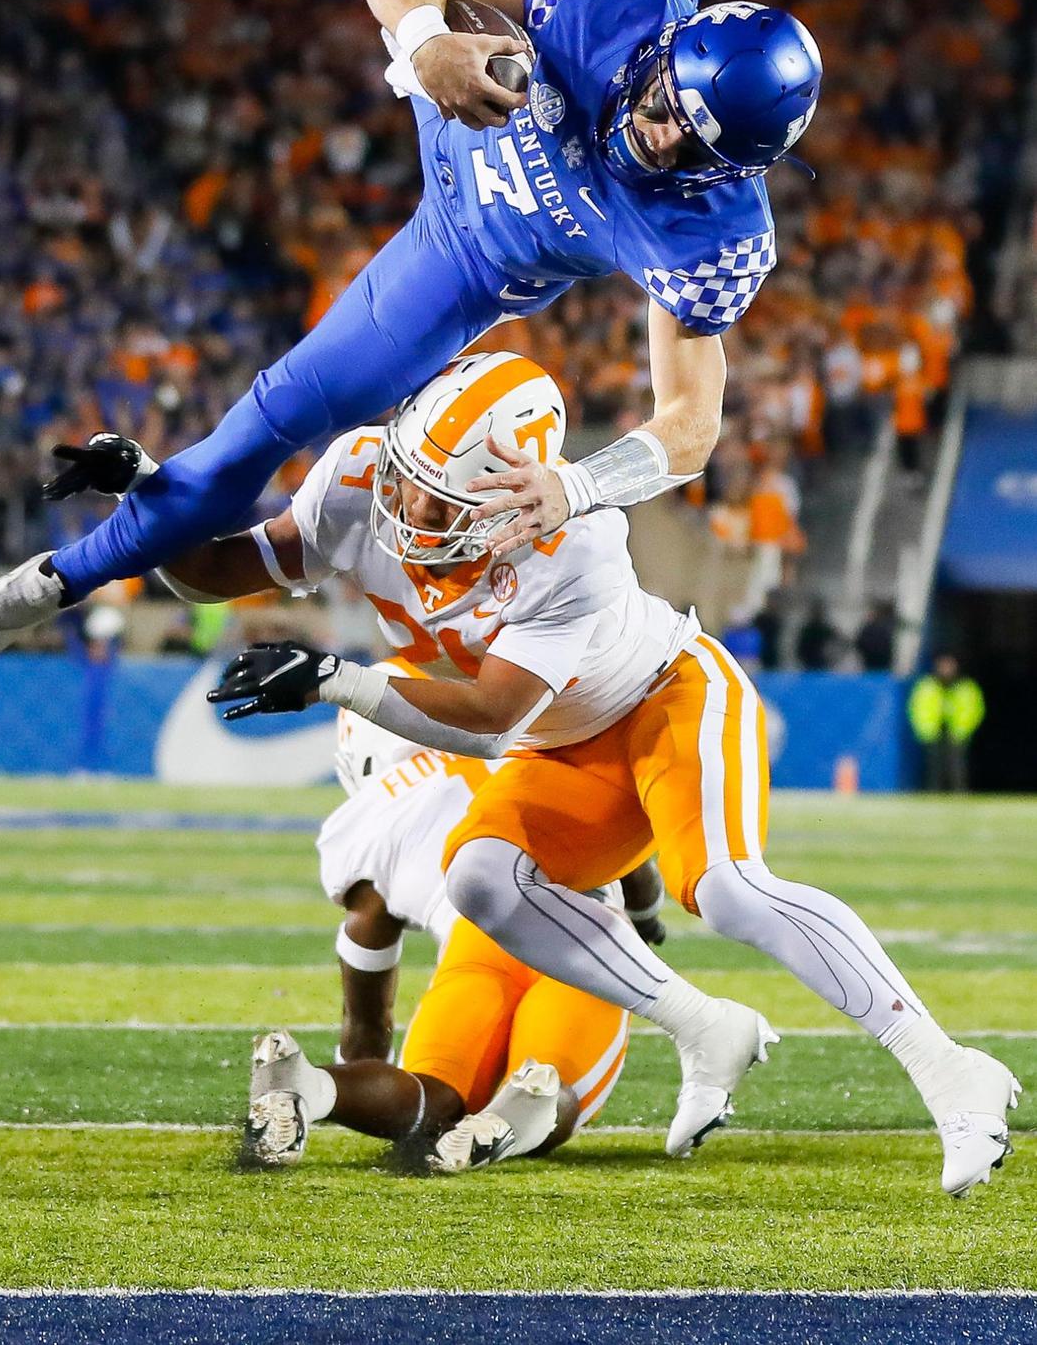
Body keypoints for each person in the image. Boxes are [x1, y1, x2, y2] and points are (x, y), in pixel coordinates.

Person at [157, 352, 1016, 1196]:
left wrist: (333, 679)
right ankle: (703, 1024)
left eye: (441, 495)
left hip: (663, 698)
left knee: (726, 890)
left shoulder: (576, 539)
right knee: (480, 878)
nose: (411, 507)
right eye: (409, 474)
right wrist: (147, 501)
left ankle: (950, 1071)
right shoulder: (362, 480)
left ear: (516, 490)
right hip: (565, 746)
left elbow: (493, 720)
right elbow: (217, 568)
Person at [0, 0, 822, 669]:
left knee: (267, 422)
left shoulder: (715, 238)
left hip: (466, 257)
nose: (658, 134)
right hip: (473, 92)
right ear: (663, 54)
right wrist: (427, 39)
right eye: (665, 102)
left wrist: (576, 487)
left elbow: (693, 424)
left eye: (690, 145)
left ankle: (47, 585)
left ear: (736, 171)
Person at [246, 678, 665, 1172]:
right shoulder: (532, 750)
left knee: (433, 1099)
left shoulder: (366, 819)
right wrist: (645, 919)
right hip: (584, 930)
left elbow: (366, 1018)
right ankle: (519, 1112)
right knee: (555, 1092)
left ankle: (310, 1087)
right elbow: (636, 866)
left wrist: (356, 1072)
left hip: (476, 947)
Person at [908, 654, 986, 793]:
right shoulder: (927, 686)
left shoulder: (965, 687)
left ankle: (959, 792)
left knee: (956, 766)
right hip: (932, 732)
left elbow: (975, 709)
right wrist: (924, 729)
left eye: (948, 665)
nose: (946, 669)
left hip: (956, 733)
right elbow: (916, 708)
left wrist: (963, 729)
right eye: (943, 665)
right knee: (934, 767)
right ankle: (933, 792)